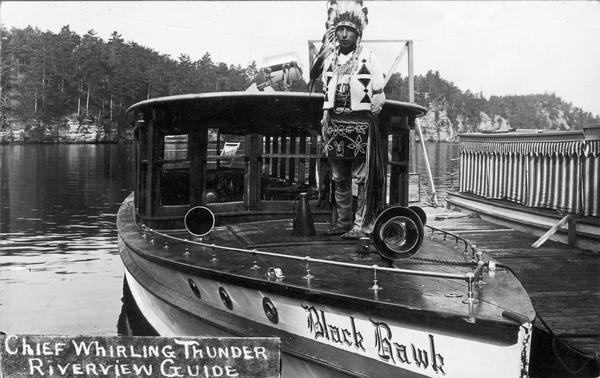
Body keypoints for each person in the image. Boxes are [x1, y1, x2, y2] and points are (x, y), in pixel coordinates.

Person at [313, 0, 386, 239]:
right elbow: (326, 93)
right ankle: (344, 222)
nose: (344, 35)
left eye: (350, 31)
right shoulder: (330, 59)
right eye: (340, 30)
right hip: (335, 124)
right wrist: (326, 117)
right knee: (338, 176)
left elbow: (379, 93)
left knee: (362, 178)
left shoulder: (368, 57)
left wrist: (374, 105)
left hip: (361, 124)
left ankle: (362, 225)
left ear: (358, 33)